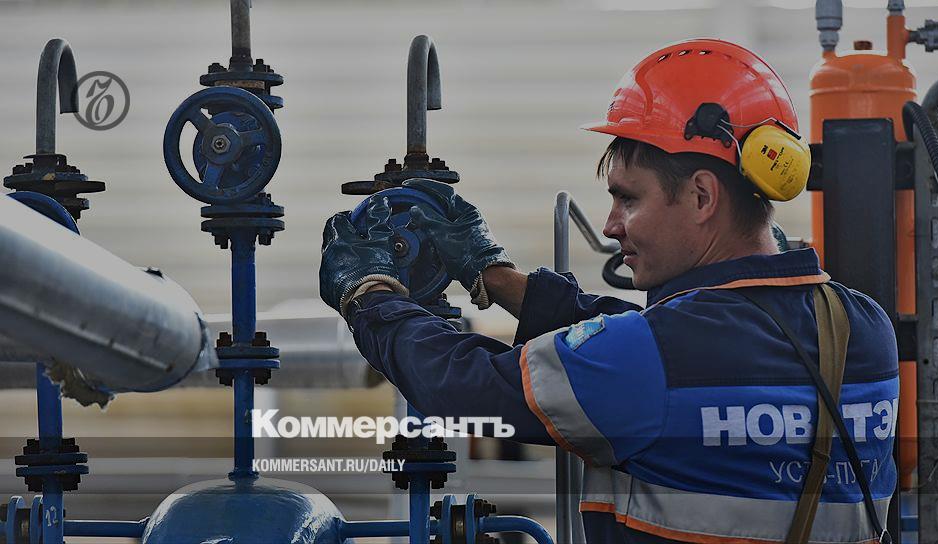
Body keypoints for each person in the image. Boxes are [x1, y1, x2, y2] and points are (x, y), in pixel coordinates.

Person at [319, 39, 898, 544]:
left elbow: (467, 387)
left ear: (701, 197)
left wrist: (370, 295)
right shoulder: (864, 328)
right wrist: (497, 278)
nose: (611, 224)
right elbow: (671, 346)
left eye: (628, 198)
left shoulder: (657, 356)